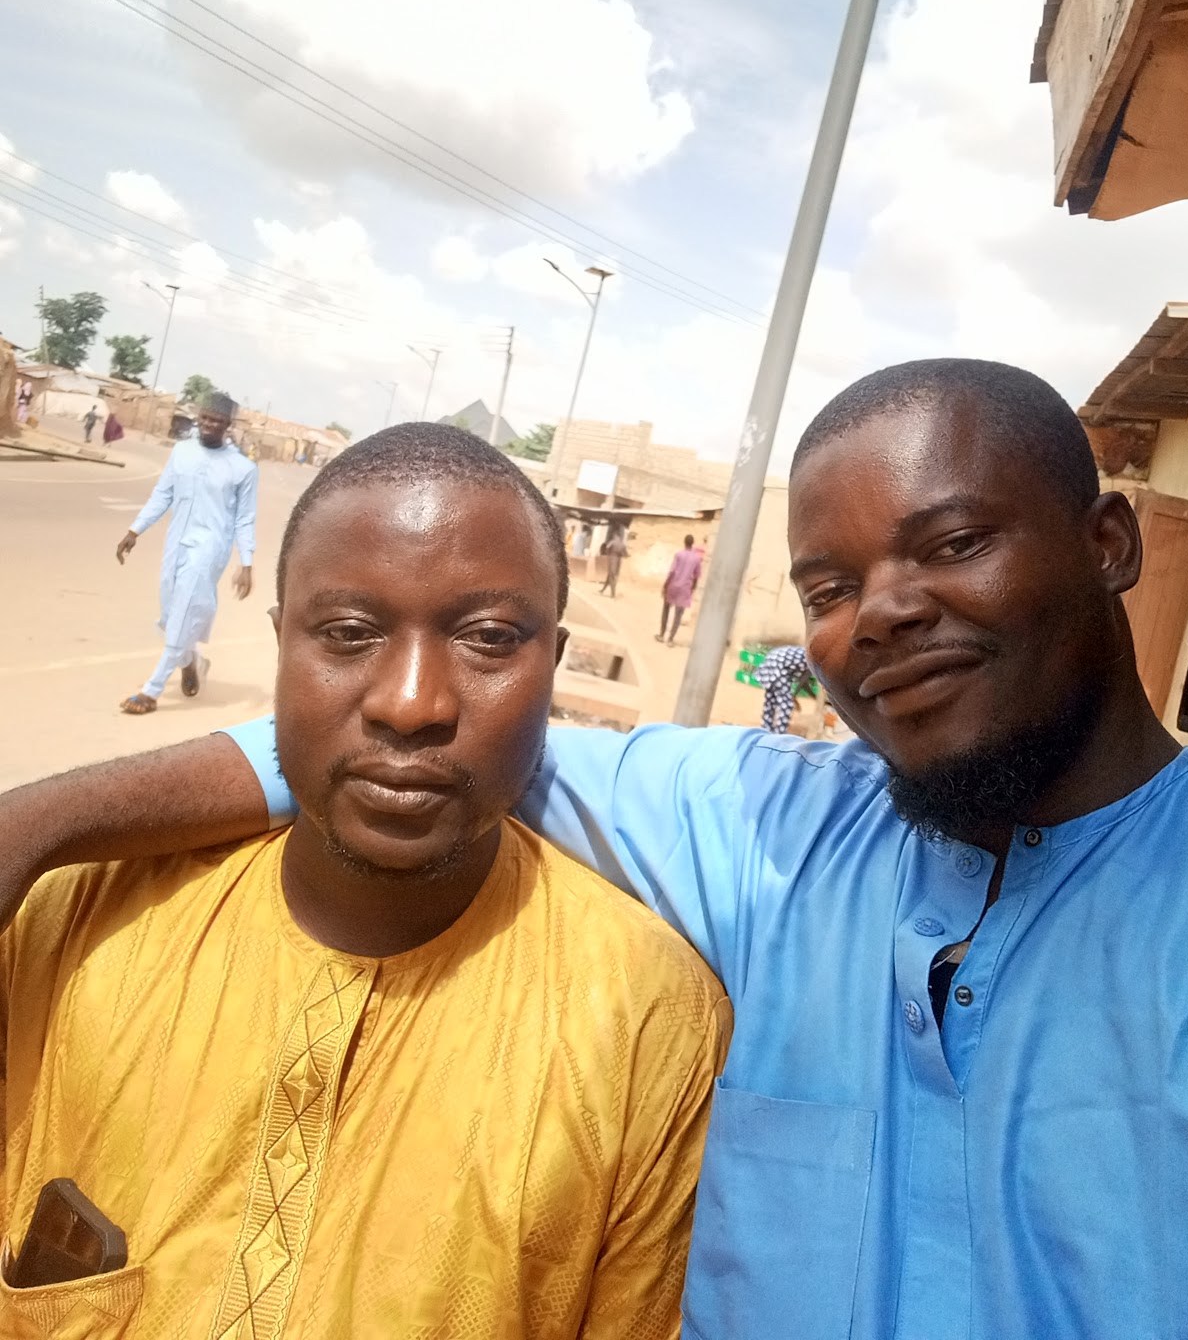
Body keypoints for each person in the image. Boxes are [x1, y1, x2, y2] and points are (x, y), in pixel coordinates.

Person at [8, 357, 1188, 1339]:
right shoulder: (774, 829)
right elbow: (403, 742)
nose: (883, 610)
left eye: (955, 542)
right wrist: (35, 826)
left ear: (1108, 542)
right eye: (830, 587)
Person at [0, 425, 728, 1336]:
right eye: (348, 634)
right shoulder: (65, 923)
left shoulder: (648, 1021)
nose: (411, 703)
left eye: (489, 639)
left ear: (552, 662)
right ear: (281, 643)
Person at [115, 393, 257, 715]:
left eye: (217, 421)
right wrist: (135, 530)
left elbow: (245, 519)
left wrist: (246, 562)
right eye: (206, 418)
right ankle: (192, 660)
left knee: (184, 613)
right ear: (199, 417)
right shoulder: (182, 452)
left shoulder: (242, 468)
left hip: (210, 546)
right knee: (170, 616)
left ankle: (151, 691)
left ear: (227, 424)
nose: (209, 425)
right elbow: (162, 494)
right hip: (176, 541)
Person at [655, 534, 703, 645]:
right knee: (678, 614)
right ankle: (670, 639)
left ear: (684, 542)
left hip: (673, 585)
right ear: (692, 543)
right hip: (685, 588)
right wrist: (692, 588)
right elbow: (696, 576)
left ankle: (662, 634)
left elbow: (672, 571)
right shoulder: (697, 558)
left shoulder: (679, 555)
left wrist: (665, 585)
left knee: (666, 608)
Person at [755, 642, 812, 733]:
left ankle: (766, 728)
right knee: (787, 704)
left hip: (772, 658)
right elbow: (803, 683)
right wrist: (812, 696)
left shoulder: (805, 653)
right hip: (778, 665)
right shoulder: (811, 662)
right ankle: (780, 732)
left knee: (771, 700)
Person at [598, 524, 628, 597]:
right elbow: (625, 555)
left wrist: (608, 553)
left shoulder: (612, 542)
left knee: (611, 576)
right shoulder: (622, 544)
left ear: (615, 535)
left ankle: (613, 594)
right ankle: (603, 590)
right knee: (611, 575)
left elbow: (606, 549)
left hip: (612, 560)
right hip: (618, 561)